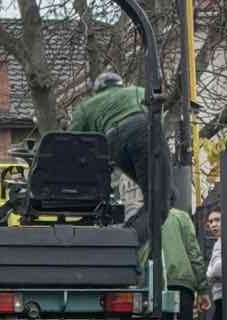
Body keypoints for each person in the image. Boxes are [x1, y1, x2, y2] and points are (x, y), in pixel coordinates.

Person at [70, 69, 171, 238]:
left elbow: (72, 143)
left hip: (113, 144)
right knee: (162, 200)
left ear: (97, 90)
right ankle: (127, 241)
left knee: (156, 198)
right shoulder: (137, 91)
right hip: (142, 129)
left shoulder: (85, 107)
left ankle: (126, 237)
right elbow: (156, 114)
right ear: (120, 85)